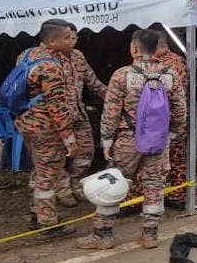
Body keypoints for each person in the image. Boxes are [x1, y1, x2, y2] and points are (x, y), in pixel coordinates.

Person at [77, 29, 187, 250]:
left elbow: (111, 112)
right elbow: (180, 110)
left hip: (128, 138)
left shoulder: (122, 75)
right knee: (155, 185)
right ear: (157, 48)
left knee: (114, 182)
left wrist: (106, 140)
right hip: (158, 138)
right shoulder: (170, 75)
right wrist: (173, 133)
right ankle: (150, 235)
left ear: (134, 48)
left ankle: (103, 235)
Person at [16, 19, 78, 239]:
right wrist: (69, 137)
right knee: (48, 175)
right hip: (45, 128)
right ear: (52, 41)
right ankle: (48, 224)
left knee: (39, 169)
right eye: (65, 37)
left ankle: (36, 214)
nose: (70, 40)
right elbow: (56, 106)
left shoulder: (26, 54)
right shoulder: (51, 66)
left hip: (26, 123)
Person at [57, 26, 107, 203]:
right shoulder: (45, 59)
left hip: (78, 113)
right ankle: (62, 191)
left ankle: (76, 184)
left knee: (86, 150)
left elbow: (93, 83)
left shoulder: (78, 56)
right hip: (55, 116)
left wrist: (114, 96)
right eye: (67, 37)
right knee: (55, 155)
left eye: (74, 37)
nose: (71, 41)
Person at [154, 32, 190, 206]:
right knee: (176, 159)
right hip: (176, 120)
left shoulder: (168, 65)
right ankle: (177, 194)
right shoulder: (177, 60)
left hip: (168, 122)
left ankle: (174, 196)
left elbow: (169, 97)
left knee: (166, 159)